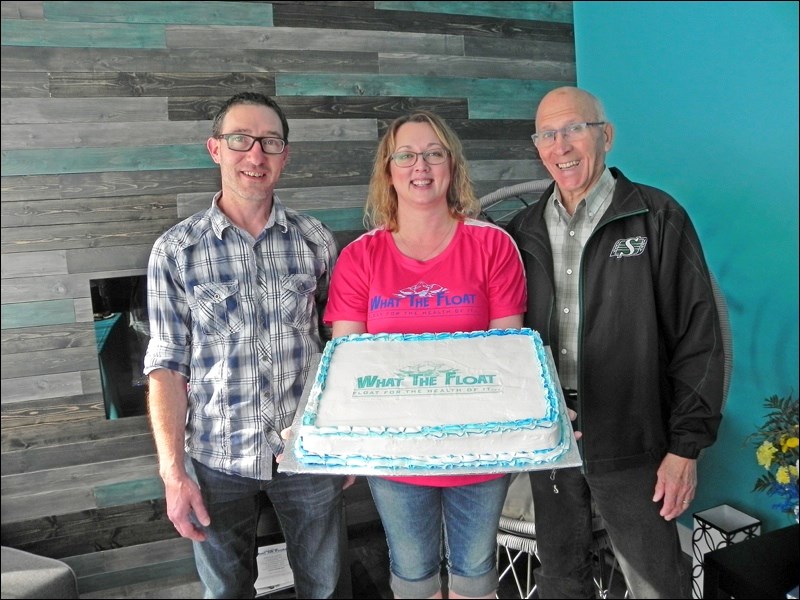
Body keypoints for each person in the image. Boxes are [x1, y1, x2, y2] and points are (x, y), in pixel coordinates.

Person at [505, 86, 725, 598]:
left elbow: (700, 334)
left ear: (605, 135)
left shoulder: (656, 216)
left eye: (574, 128)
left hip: (635, 435)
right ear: (537, 146)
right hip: (553, 439)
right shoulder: (520, 231)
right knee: (561, 580)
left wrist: (684, 448)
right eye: (547, 134)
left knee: (655, 583)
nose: (561, 146)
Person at [143, 92, 348, 599]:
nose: (255, 156)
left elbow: (341, 349)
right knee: (226, 592)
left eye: (270, 142)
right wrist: (174, 474)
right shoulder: (175, 250)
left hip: (307, 454)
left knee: (327, 589)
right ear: (216, 148)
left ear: (285, 154)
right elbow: (166, 366)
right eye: (240, 140)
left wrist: (344, 443)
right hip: (215, 460)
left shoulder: (316, 241)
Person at [323, 110, 527, 599]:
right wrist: (342, 442)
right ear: (388, 171)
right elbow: (348, 362)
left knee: (476, 574)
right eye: (406, 155)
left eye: (434, 153)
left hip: (479, 449)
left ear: (451, 166)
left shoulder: (493, 246)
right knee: (412, 574)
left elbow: (507, 355)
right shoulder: (359, 258)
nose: (421, 165)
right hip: (395, 455)